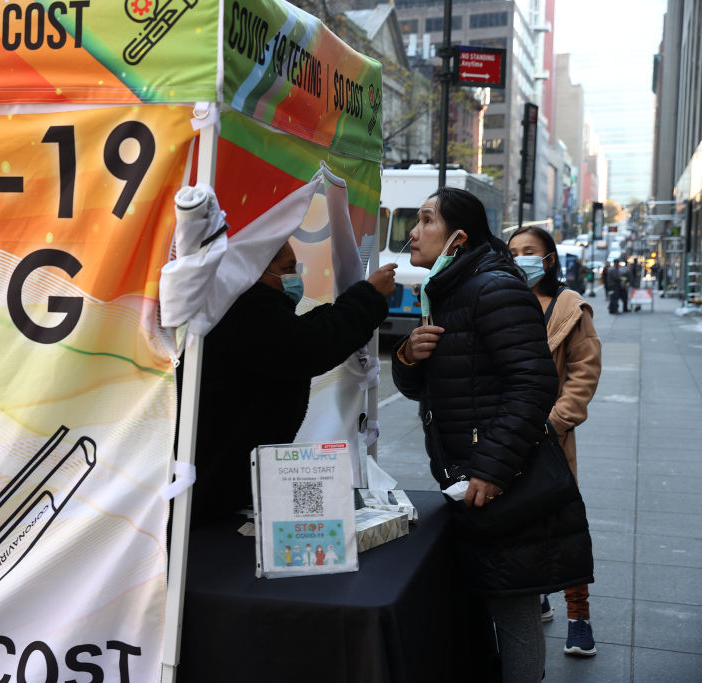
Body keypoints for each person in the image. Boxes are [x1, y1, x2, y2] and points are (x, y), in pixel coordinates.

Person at [392, 187, 593, 682]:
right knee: (489, 598)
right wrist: (408, 356)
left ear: (457, 238)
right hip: (471, 477)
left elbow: (534, 383)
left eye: (424, 220)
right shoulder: (448, 290)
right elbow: (437, 386)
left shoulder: (492, 288)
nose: (413, 233)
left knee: (515, 606)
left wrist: (491, 468)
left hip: (504, 481)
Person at [189, 240, 396, 527]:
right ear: (255, 271)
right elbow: (308, 346)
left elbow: (298, 334)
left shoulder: (241, 305)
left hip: (221, 482)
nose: (294, 278)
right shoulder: (249, 307)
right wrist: (368, 297)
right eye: (287, 269)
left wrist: (343, 308)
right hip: (210, 490)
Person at [509, 225, 602, 657]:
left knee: (564, 527)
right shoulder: (503, 301)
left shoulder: (570, 307)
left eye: (530, 251)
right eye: (513, 252)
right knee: (520, 524)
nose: (520, 258)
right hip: (507, 437)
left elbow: (584, 372)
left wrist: (555, 422)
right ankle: (538, 596)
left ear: (549, 259)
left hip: (550, 436)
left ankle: (578, 616)